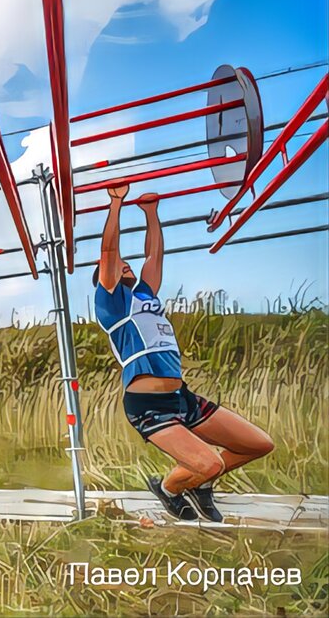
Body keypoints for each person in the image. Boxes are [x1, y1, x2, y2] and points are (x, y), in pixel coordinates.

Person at [94, 184, 274, 523]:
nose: (125, 266)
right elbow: (108, 250)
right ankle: (169, 488)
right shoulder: (111, 305)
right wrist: (116, 204)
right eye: (120, 266)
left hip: (181, 398)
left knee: (258, 444)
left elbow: (154, 256)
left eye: (127, 265)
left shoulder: (145, 296)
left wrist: (151, 213)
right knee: (210, 462)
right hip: (148, 407)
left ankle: (200, 485)